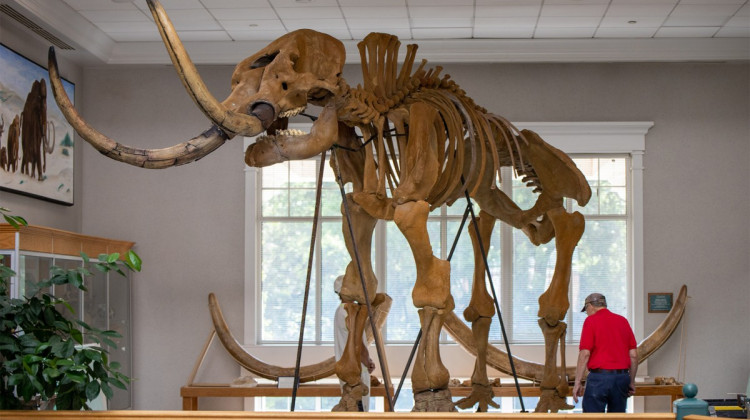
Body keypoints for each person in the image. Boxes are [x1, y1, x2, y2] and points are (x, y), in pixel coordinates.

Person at [572, 293, 638, 412]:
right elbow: (633, 355)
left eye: (586, 310)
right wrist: (631, 381)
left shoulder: (590, 321)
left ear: (590, 306)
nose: (586, 313)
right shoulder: (623, 321)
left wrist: (577, 382)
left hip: (598, 378)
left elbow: (585, 353)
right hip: (621, 378)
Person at [333, 276, 375, 411]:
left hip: (349, 369)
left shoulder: (340, 311)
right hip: (357, 370)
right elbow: (356, 341)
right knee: (359, 409)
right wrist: (367, 361)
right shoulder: (348, 311)